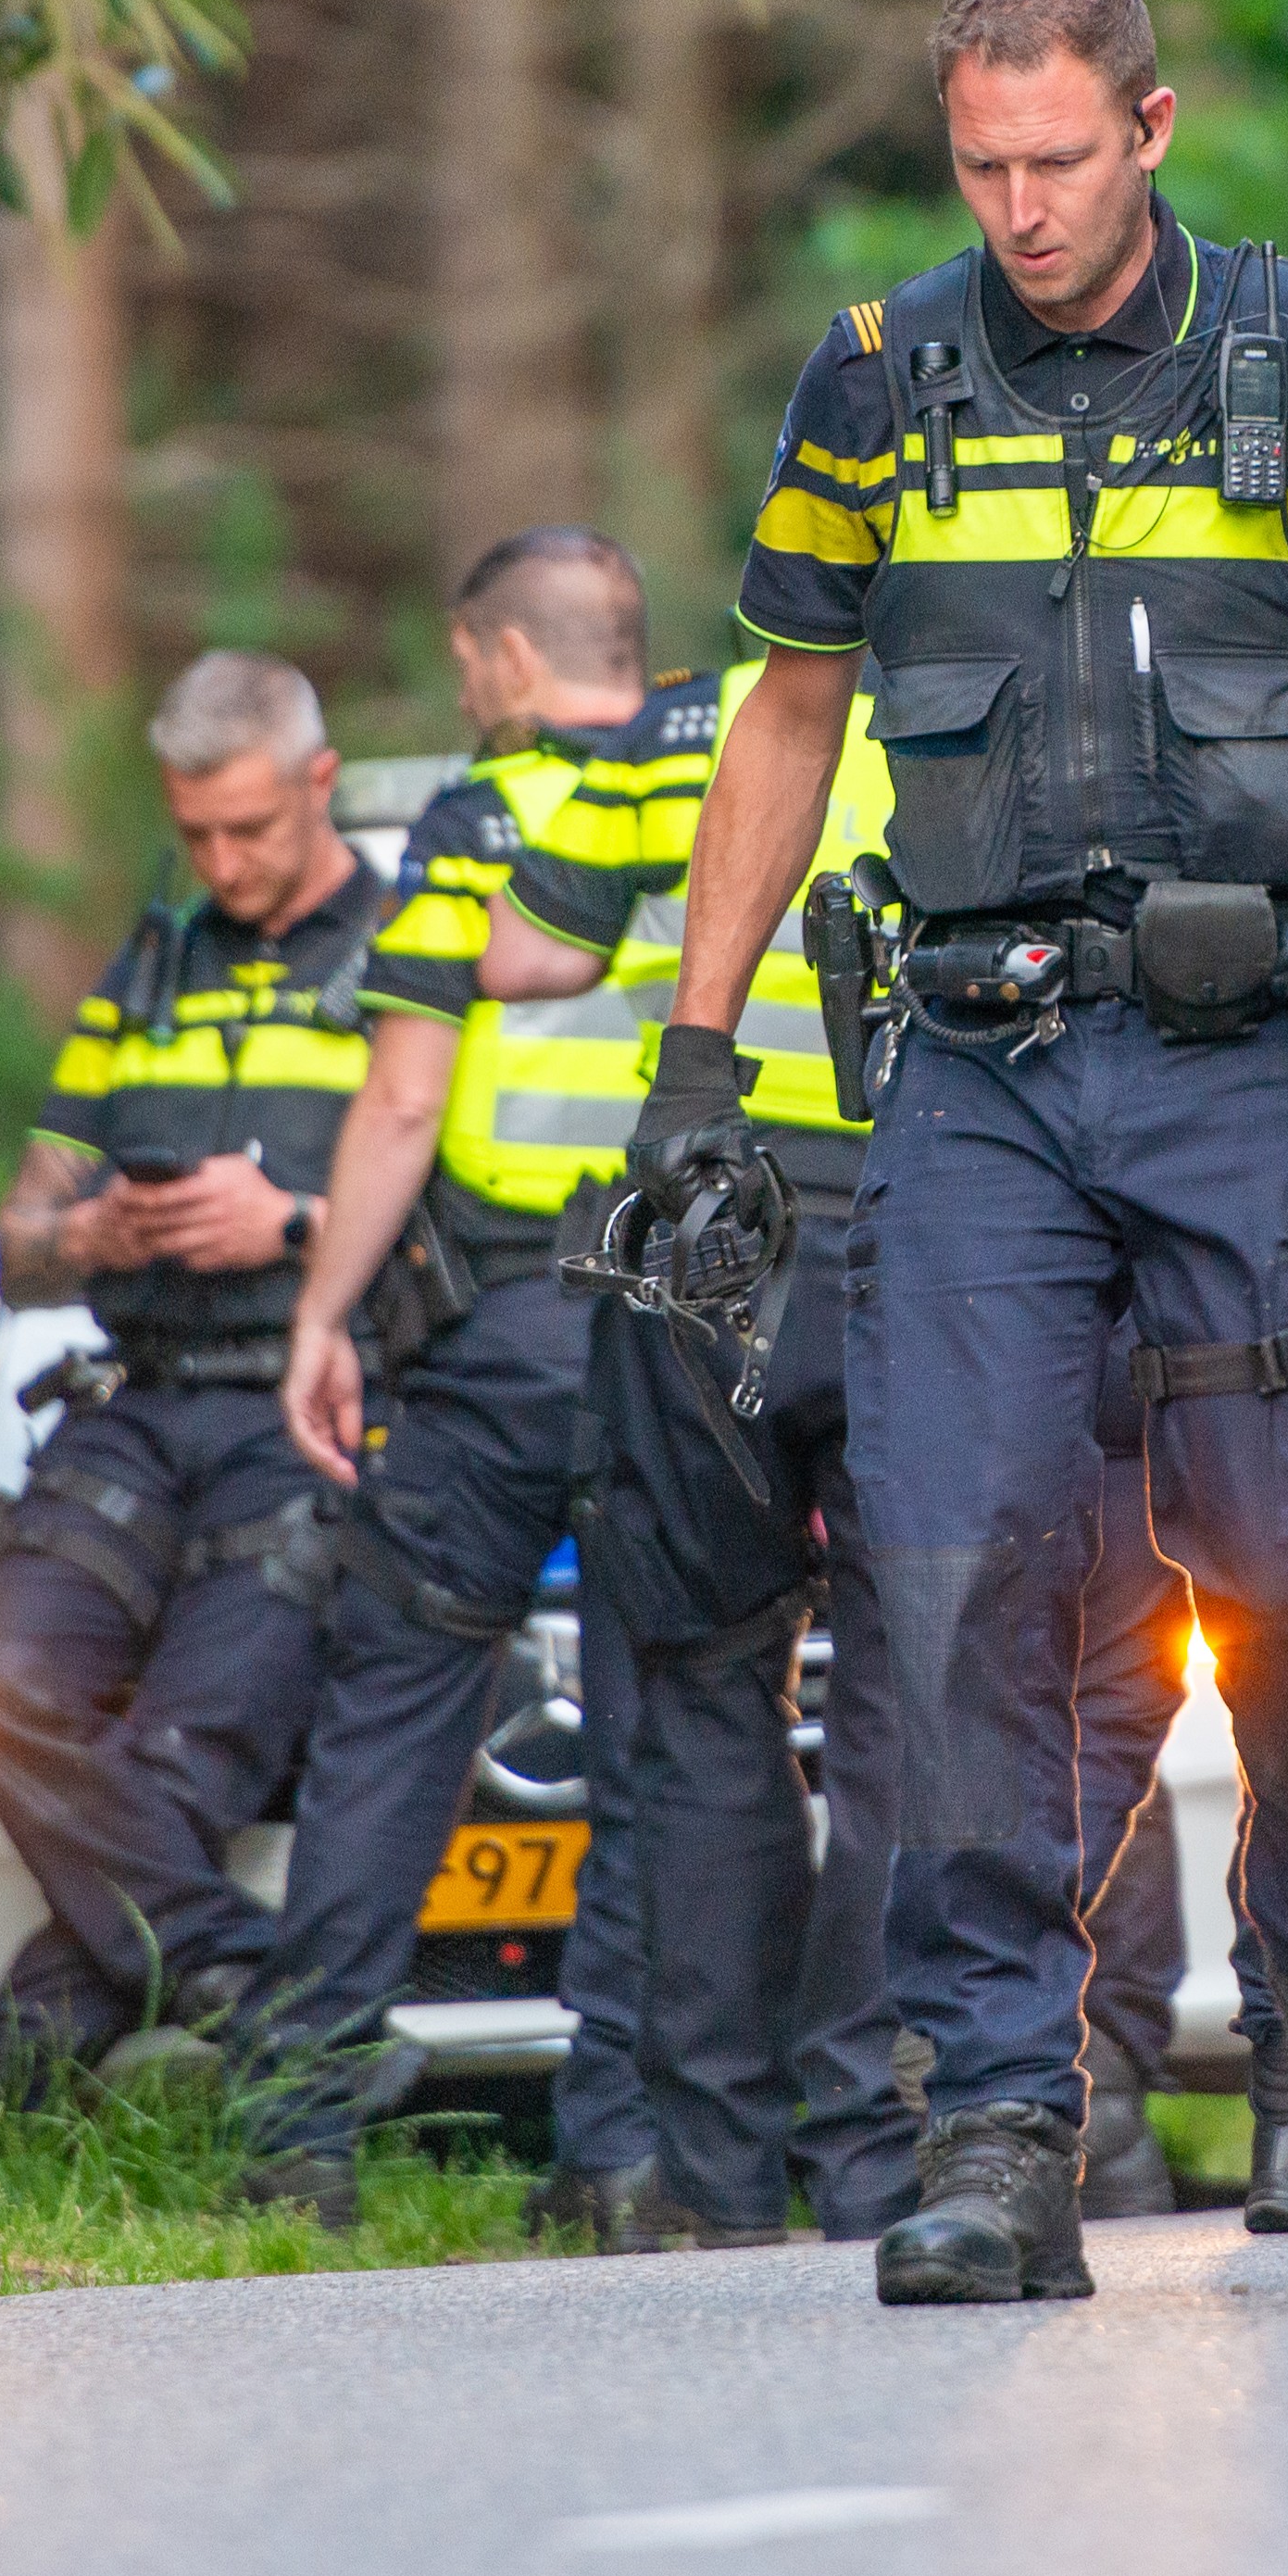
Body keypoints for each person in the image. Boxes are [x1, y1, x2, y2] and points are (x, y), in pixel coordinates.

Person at [639, 0, 1288, 2306]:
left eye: (1061, 159)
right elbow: (782, 710)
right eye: (982, 167)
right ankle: (992, 2124)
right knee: (950, 1583)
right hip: (972, 1071)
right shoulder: (876, 378)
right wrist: (699, 1043)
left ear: (1149, 129)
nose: (1023, 207)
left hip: (1252, 1064)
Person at [254, 532, 713, 2235]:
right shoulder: (726, 786)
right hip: (690, 1327)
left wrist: (322, 1314)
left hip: (505, 1338)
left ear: (508, 661)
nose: (463, 695)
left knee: (394, 1714)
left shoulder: (481, 822)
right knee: (659, 1737)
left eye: (464, 668)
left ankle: (300, 2136)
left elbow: (395, 1102)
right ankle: (618, 2151)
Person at [0, 655, 394, 2125]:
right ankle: (264, 1998)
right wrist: (93, 1233)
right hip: (131, 1405)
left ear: (320, 782)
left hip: (307, 1409)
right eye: (196, 835)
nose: (224, 862)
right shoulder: (145, 971)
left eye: (249, 827)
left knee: (179, 1756)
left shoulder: (418, 954)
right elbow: (18, 1242)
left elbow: (486, 1204)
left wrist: (295, 1224)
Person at [479, 652, 920, 2248]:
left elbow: (528, 951)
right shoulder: (1006, 665)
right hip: (933, 1236)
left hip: (705, 1237)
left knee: (699, 1711)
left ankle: (720, 2175)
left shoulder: (690, 715)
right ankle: (880, 2161)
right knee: (909, 1722)